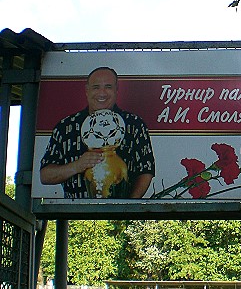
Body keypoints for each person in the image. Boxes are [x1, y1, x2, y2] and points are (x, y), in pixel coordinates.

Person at [40, 66, 155, 199]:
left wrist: (127, 209)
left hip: (121, 216)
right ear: (87, 91)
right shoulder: (65, 127)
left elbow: (146, 170)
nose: (102, 93)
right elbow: (45, 175)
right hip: (75, 215)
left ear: (117, 90)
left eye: (108, 87)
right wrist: (77, 166)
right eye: (96, 87)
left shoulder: (134, 124)